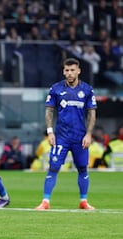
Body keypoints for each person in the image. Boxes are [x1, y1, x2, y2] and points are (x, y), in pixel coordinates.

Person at [36, 58, 97, 210]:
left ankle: (83, 201)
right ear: (63, 71)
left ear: (78, 71)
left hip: (80, 137)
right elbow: (49, 110)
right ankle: (45, 201)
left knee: (82, 168)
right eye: (67, 70)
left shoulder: (87, 90)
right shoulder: (56, 89)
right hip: (61, 137)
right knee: (53, 167)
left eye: (72, 70)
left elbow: (92, 114)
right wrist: (50, 132)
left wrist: (89, 134)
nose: (69, 73)